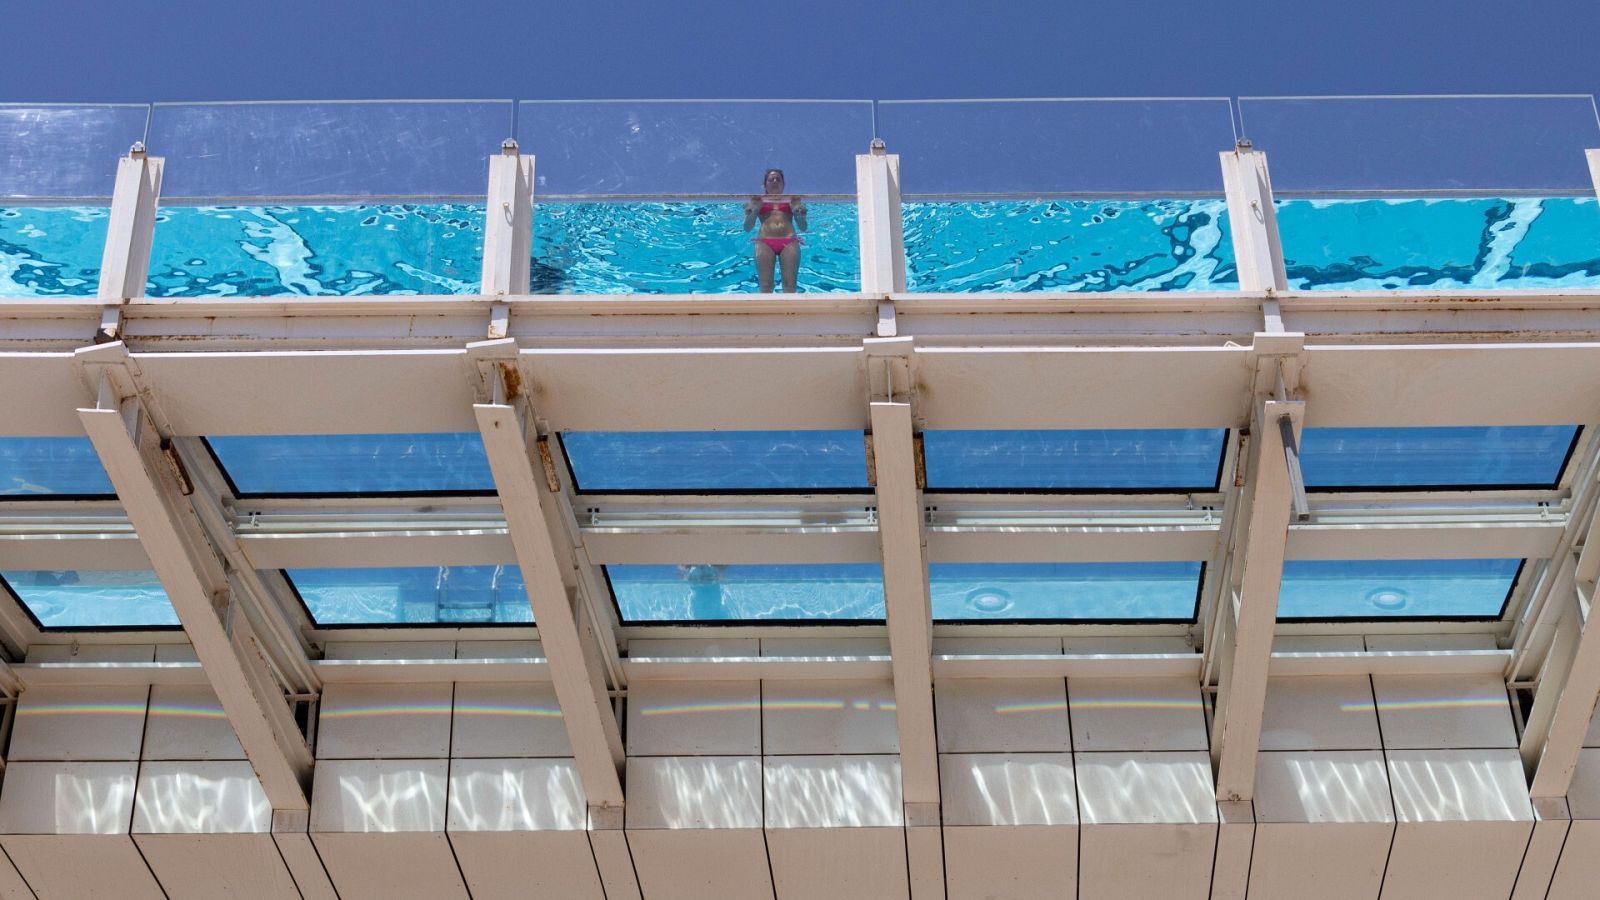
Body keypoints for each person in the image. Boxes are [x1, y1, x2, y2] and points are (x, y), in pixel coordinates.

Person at [743, 168, 808, 293]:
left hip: (789, 241)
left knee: (790, 285)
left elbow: (803, 227)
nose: (774, 181)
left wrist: (798, 213)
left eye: (778, 179)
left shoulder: (793, 200)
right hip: (764, 242)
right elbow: (747, 227)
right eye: (771, 179)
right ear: (765, 184)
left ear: (783, 184)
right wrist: (754, 211)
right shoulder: (757, 200)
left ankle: (790, 313)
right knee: (766, 285)